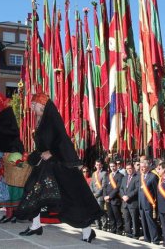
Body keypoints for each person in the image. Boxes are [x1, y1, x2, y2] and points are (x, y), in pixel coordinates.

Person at [15, 93, 102, 242]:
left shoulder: (51, 120)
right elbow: (42, 147)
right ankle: (36, 225)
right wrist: (32, 157)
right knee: (32, 190)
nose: (31, 106)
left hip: (59, 167)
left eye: (33, 104)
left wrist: (52, 152)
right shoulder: (40, 121)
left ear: (41, 105)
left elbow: (62, 140)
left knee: (71, 198)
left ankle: (87, 231)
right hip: (45, 167)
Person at [0, 91, 24, 224]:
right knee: (5, 185)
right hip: (4, 154)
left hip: (8, 155)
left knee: (9, 185)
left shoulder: (5, 114)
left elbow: (12, 133)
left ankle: (12, 213)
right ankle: (9, 213)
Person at [138, 157, 160, 245]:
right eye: (141, 167)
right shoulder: (141, 176)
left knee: (151, 222)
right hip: (141, 203)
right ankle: (147, 238)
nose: (142, 168)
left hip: (149, 203)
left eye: (143, 167)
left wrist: (155, 203)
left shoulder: (153, 176)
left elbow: (156, 192)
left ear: (148, 167)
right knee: (143, 222)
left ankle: (155, 239)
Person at [119, 162, 140, 239]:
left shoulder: (137, 177)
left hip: (133, 202)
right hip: (125, 202)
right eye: (127, 169)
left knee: (134, 219)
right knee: (126, 218)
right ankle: (128, 233)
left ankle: (136, 234)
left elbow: (137, 189)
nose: (128, 170)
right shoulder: (124, 178)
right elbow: (121, 188)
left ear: (133, 169)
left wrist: (128, 196)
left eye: (130, 168)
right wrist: (123, 196)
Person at [103, 160, 124, 235]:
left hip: (115, 199)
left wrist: (110, 196)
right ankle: (113, 229)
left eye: (114, 166)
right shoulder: (108, 175)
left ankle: (119, 230)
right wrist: (105, 196)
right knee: (110, 215)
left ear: (117, 166)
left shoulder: (120, 175)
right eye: (111, 166)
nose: (112, 168)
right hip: (108, 200)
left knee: (117, 215)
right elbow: (105, 187)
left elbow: (118, 188)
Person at [89, 159, 107, 231]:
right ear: (95, 165)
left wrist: (97, 194)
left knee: (101, 211)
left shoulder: (104, 173)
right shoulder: (94, 174)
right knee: (95, 210)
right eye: (97, 165)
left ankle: (104, 225)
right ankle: (97, 225)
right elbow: (91, 184)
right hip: (94, 195)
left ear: (102, 165)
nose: (98, 166)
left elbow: (103, 186)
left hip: (100, 196)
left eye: (99, 165)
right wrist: (92, 193)